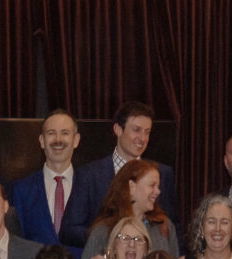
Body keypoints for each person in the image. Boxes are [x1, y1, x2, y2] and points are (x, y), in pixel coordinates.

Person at [65, 101, 177, 239]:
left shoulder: (163, 174)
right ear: (118, 129)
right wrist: (109, 237)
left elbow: (172, 229)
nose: (142, 138)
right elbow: (69, 230)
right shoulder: (88, 175)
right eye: (136, 130)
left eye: (147, 132)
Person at [11, 109, 90, 249]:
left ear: (76, 140)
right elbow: (16, 243)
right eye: (51, 133)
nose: (58, 140)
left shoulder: (91, 187)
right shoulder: (21, 190)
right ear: (42, 141)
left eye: (65, 133)